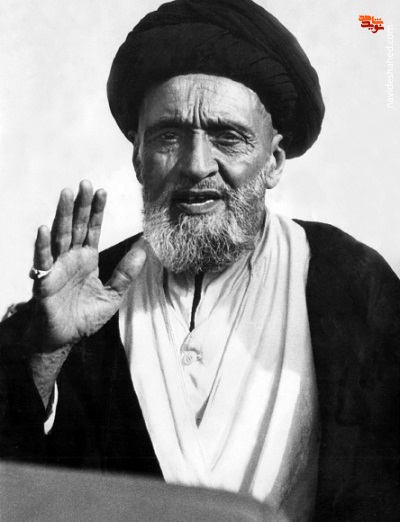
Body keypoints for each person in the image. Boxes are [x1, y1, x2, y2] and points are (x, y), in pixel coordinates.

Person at [1, 0, 399, 520]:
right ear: (138, 157)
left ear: (273, 161)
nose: (195, 165)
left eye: (227, 137)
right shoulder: (83, 296)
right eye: (168, 136)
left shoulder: (352, 285)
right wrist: (45, 353)